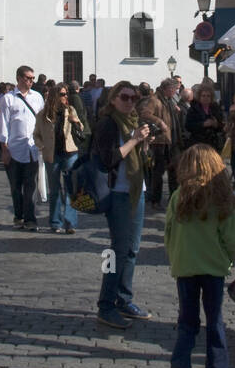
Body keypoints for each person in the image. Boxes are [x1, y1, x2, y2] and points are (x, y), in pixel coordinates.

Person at [165, 143, 235, 368]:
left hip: (185, 267)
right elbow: (233, 238)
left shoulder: (178, 196)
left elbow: (168, 232)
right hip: (213, 269)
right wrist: (226, 259)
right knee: (215, 322)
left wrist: (175, 257)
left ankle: (180, 366)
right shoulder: (220, 199)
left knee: (187, 322)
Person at [92, 80, 155, 329]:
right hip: (116, 193)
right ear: (113, 99)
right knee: (116, 250)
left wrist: (144, 143)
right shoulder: (108, 123)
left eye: (133, 98)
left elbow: (139, 157)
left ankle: (123, 298)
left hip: (136, 190)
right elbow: (109, 158)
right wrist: (135, 140)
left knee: (133, 249)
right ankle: (105, 304)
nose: (130, 102)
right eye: (125, 97)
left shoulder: (133, 122)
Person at [0, 66, 44, 230]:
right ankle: (19, 215)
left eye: (33, 78)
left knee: (31, 186)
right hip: (14, 149)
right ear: (19, 78)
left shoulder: (38, 97)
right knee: (16, 187)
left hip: (32, 148)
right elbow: (3, 125)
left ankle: (30, 219)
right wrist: (4, 149)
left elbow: (42, 122)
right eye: (28, 78)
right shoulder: (8, 99)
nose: (31, 81)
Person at [35, 83, 81, 234]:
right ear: (55, 96)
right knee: (54, 190)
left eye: (66, 93)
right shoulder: (43, 114)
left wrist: (76, 122)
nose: (66, 96)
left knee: (70, 189)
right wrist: (42, 146)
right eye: (62, 94)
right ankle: (55, 222)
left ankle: (70, 223)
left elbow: (81, 128)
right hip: (52, 154)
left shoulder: (71, 110)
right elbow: (36, 135)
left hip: (70, 153)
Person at [139, 78, 181, 212]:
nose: (174, 92)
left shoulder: (169, 100)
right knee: (158, 171)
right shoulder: (155, 99)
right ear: (167, 89)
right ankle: (155, 200)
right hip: (160, 141)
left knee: (174, 171)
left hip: (171, 140)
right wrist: (159, 122)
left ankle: (173, 198)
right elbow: (145, 114)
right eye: (173, 90)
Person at [185, 84, 225, 152]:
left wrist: (216, 124)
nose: (206, 98)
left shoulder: (215, 108)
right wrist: (203, 124)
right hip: (198, 143)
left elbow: (222, 125)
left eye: (208, 96)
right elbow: (188, 126)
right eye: (203, 95)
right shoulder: (193, 109)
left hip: (212, 143)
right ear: (199, 97)